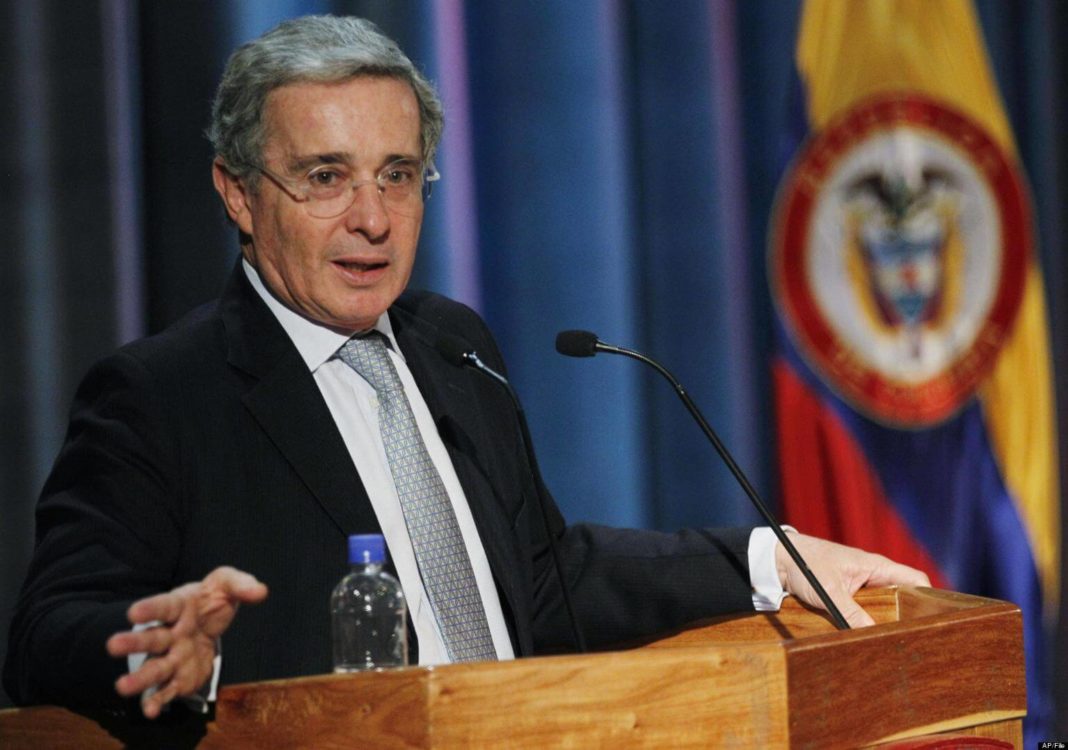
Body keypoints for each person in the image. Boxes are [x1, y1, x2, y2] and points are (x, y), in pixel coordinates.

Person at [3, 15, 928, 720]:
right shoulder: (163, 396)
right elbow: (45, 635)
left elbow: (545, 581)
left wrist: (768, 557)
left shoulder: (453, 344)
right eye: (326, 177)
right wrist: (163, 651)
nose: (373, 218)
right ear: (238, 194)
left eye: (398, 175)